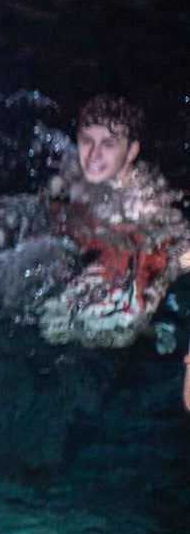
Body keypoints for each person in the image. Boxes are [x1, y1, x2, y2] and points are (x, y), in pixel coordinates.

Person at [39, 94, 190, 347]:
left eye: (108, 144)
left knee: (114, 329)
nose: (93, 155)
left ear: (131, 151)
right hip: (95, 242)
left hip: (138, 249)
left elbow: (179, 246)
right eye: (87, 141)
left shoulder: (145, 201)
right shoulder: (69, 175)